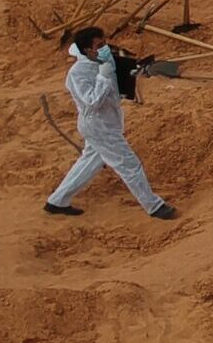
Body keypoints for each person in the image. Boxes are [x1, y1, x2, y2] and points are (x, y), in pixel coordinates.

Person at [44, 27, 175, 220]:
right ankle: (154, 206)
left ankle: (57, 201)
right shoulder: (77, 74)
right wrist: (104, 76)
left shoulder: (104, 61)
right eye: (100, 45)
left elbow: (120, 85)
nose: (105, 47)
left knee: (91, 161)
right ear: (88, 50)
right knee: (129, 164)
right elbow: (91, 102)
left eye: (104, 42)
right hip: (97, 125)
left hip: (109, 122)